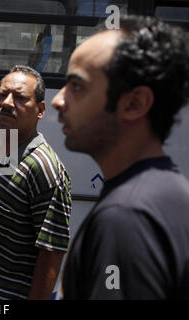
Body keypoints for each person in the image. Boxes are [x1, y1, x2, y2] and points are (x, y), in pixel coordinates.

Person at [52, 15, 189, 299]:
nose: (58, 100)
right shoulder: (170, 193)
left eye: (77, 86)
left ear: (134, 103)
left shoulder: (125, 217)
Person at [0, 65, 72, 300]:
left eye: (20, 98)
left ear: (40, 110)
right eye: (2, 95)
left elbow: (51, 254)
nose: (7, 103)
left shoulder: (43, 168)